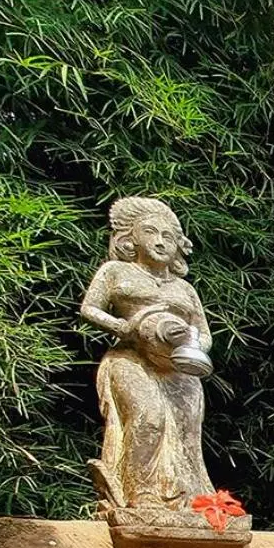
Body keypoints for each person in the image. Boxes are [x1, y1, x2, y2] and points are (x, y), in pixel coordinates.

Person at [79, 196, 216, 511]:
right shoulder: (116, 271)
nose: (160, 241)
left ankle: (188, 500)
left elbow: (204, 332)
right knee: (148, 416)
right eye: (151, 232)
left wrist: (193, 347)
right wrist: (123, 326)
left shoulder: (185, 289)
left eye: (168, 237)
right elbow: (89, 308)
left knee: (186, 428)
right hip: (131, 356)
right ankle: (142, 495)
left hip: (179, 364)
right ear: (132, 239)